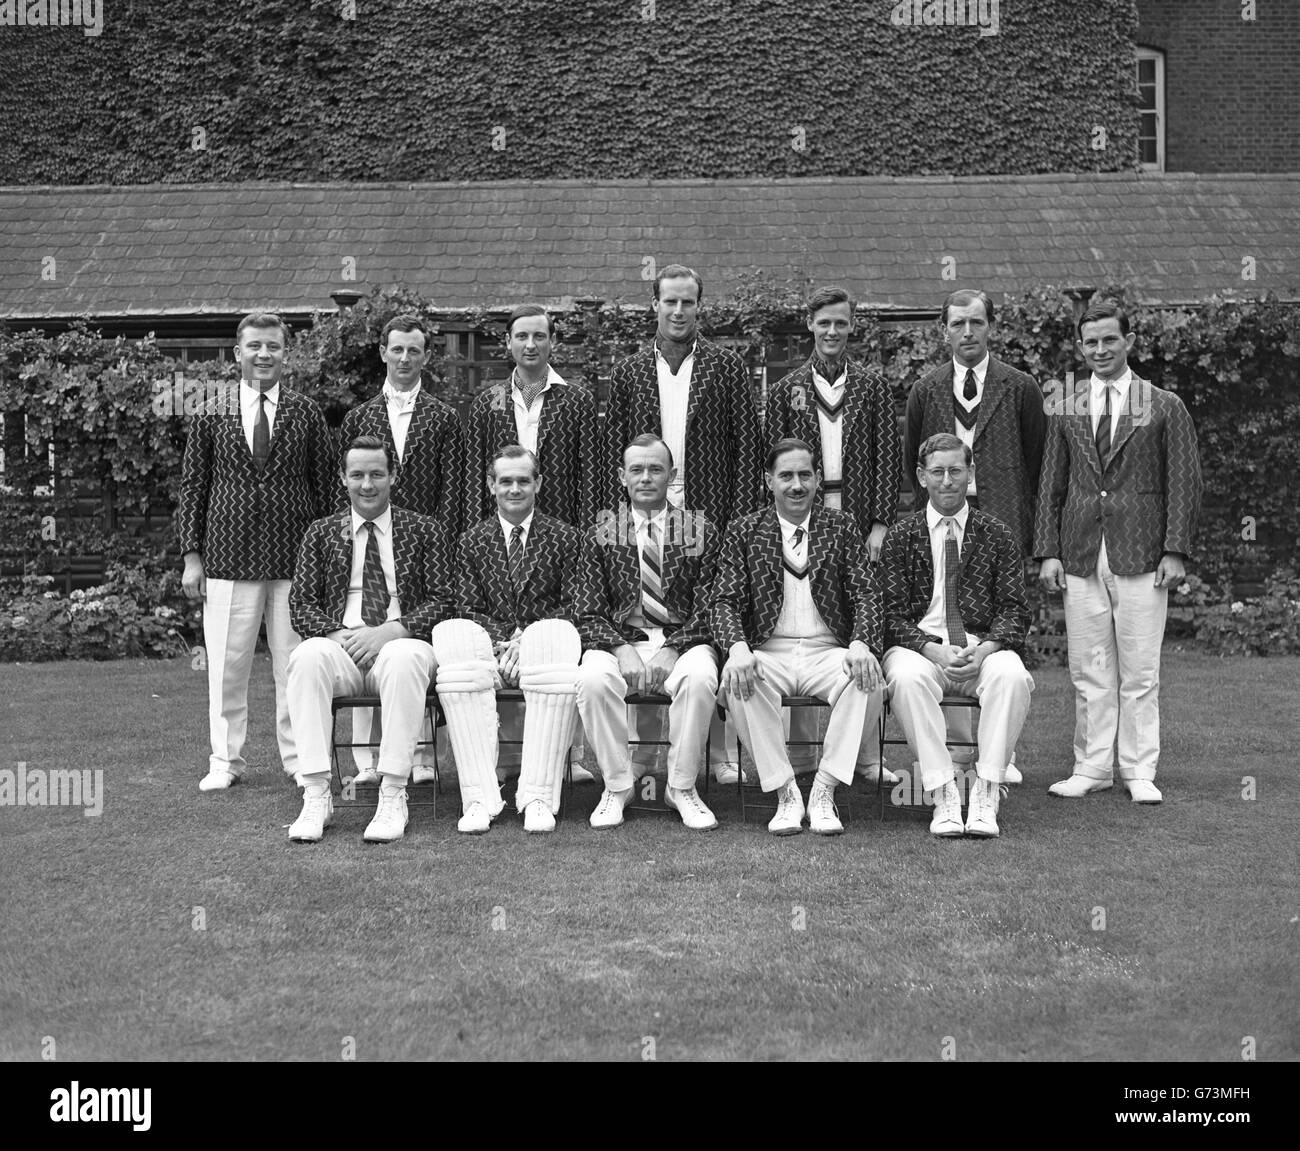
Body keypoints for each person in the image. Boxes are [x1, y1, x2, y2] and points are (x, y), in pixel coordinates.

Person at [603, 262, 765, 785]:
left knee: (712, 630)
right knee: (651, 621)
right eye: (669, 301)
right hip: (647, 514)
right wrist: (622, 518)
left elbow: (747, 448)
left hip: (709, 514)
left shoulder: (727, 367)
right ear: (654, 305)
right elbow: (619, 451)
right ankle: (648, 755)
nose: (678, 311)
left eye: (688, 302)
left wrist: (740, 523)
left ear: (700, 306)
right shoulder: (628, 371)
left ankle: (717, 754)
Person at [1035, 301, 1202, 805]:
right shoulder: (1067, 405)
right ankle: (1091, 767)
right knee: (1089, 668)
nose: (1100, 350)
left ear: (1128, 341)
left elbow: (1184, 482)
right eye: (1091, 342)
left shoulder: (1164, 403)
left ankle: (1137, 769)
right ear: (1081, 347)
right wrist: (1047, 551)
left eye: (1109, 339)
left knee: (1140, 668)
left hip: (1143, 554)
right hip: (1082, 552)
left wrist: (1175, 550)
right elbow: (1050, 484)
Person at [179, 310, 335, 792]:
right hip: (227, 558)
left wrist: (329, 559)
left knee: (295, 667)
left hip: (295, 562)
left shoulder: (306, 412)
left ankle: (298, 758)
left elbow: (327, 485)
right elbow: (193, 487)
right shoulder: (211, 410)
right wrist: (191, 556)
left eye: (273, 346)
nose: (264, 354)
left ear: (285, 354)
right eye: (255, 346)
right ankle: (225, 759)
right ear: (238, 353)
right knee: (227, 667)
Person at [284, 436, 457, 843]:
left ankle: (393, 791)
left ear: (393, 476)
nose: (367, 484)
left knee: (404, 658)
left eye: (376, 474)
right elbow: (300, 603)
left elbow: (446, 599)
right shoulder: (322, 532)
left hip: (402, 640)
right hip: (342, 646)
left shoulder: (423, 529)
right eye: (357, 474)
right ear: (342, 478)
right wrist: (336, 633)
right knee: (307, 657)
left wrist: (392, 631)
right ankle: (316, 793)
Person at [904, 288, 1045, 784]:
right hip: (944, 512)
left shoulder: (1020, 386)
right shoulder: (927, 389)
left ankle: (998, 753)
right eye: (958, 324)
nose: (968, 332)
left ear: (991, 328)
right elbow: (912, 461)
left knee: (998, 631)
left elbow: (1036, 460)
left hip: (998, 519)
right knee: (945, 621)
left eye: (977, 323)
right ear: (944, 330)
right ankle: (960, 754)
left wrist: (1035, 533)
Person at [712, 438, 885, 836]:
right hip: (768, 649)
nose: (796, 485)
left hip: (829, 650)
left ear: (818, 479)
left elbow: (866, 592)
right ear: (769, 480)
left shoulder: (840, 526)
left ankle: (825, 788)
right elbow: (723, 599)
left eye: (805, 475)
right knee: (739, 679)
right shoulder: (744, 530)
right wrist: (737, 648)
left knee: (869, 681)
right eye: (786, 476)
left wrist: (861, 643)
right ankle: (785, 791)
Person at [765, 284, 902, 785]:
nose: (831, 331)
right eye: (823, 323)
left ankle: (864, 754)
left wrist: (881, 524)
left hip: (859, 519)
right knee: (804, 625)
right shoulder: (786, 390)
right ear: (810, 325)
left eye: (841, 323)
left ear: (851, 326)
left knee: (858, 631)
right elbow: (777, 463)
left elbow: (888, 458)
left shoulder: (870, 386)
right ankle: (802, 752)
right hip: (804, 515)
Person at [879, 433, 1034, 838]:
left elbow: (1015, 609)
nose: (947, 480)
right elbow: (889, 614)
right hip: (921, 646)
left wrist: (985, 650)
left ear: (970, 474)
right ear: (921, 476)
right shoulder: (901, 535)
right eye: (937, 472)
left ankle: (987, 788)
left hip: (982, 643)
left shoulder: (997, 533)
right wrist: (931, 650)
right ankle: (942, 788)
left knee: (1012, 675)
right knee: (907, 678)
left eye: (955, 470)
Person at [432, 444, 587, 834]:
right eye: (505, 481)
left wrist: (528, 639)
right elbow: (465, 605)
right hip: (492, 654)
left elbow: (575, 604)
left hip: (544, 655)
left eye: (523, 480)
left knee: (552, 639)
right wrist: (505, 639)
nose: (514, 489)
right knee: (455, 643)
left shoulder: (567, 538)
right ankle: (479, 798)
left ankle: (537, 796)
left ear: (538, 483)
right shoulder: (471, 541)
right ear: (490, 485)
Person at [340, 313, 464, 786]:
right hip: (372, 542)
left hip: (425, 548)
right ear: (384, 353)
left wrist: (445, 547)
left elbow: (455, 489)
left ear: (425, 356)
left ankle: (420, 756)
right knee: (367, 633)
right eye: (397, 349)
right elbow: (351, 485)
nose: (405, 358)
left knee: (416, 646)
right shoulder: (358, 417)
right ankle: (366, 760)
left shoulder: (446, 417)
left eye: (414, 350)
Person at [576, 435, 721, 831]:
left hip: (683, 637)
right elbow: (587, 610)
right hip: (621, 637)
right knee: (591, 679)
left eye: (655, 469)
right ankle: (618, 785)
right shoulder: (603, 530)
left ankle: (682, 786)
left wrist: (674, 649)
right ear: (622, 476)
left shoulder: (699, 528)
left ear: (672, 476)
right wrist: (620, 648)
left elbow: (711, 606)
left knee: (700, 677)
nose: (645, 478)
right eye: (636, 470)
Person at [464, 304, 597, 530]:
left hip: (564, 530)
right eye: (522, 336)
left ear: (552, 340)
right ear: (508, 341)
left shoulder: (578, 401)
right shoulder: (487, 402)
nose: (530, 345)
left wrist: (586, 537)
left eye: (539, 336)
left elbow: (590, 476)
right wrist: (476, 538)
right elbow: (474, 479)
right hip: (500, 533)